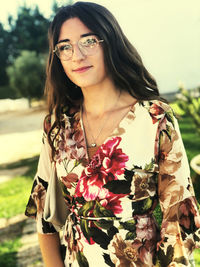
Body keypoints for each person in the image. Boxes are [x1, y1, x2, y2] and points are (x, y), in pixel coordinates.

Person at [25, 2, 200, 266]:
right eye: (65, 47)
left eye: (89, 41)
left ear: (111, 43)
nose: (77, 55)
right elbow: (44, 214)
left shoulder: (155, 118)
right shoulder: (57, 126)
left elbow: (180, 221)